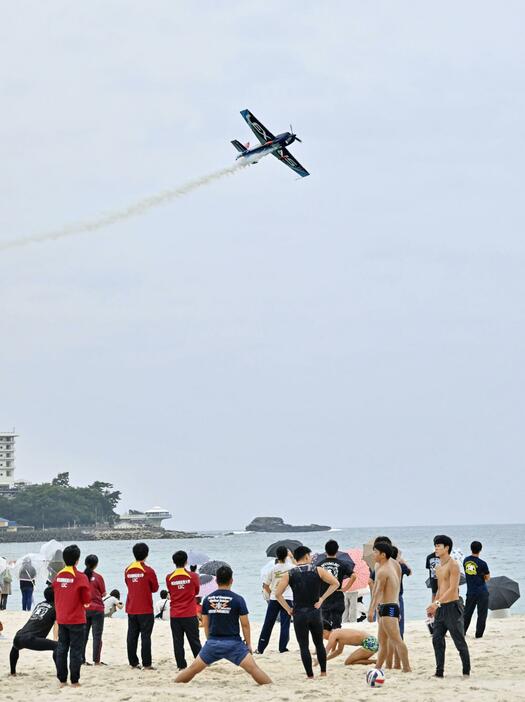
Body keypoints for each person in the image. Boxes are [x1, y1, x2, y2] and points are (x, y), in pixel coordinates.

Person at [175, 565, 271, 685]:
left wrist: (209, 641)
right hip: (234, 644)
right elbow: (245, 624)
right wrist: (249, 644)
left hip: (213, 642)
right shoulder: (238, 599)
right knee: (254, 669)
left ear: (216, 581)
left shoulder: (208, 599)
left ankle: (174, 683)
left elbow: (206, 623)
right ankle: (271, 686)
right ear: (231, 580)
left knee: (193, 670)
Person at [275, 545, 339, 679]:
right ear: (306, 556)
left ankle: (310, 675)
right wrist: (321, 599)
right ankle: (323, 672)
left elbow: (277, 594)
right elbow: (335, 584)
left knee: (304, 646)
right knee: (319, 644)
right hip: (315, 612)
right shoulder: (318, 570)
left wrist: (288, 609)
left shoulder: (289, 573)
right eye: (309, 556)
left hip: (299, 614)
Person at [426, 535, 470, 678]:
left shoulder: (454, 565)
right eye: (435, 545)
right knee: (437, 639)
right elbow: (440, 588)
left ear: (447, 548)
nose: (436, 548)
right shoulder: (438, 567)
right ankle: (439, 672)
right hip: (441, 608)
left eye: (439, 545)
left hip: (453, 607)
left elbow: (452, 588)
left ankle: (466, 671)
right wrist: (434, 605)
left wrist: (436, 603)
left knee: (459, 641)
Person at [368, 541, 411, 673]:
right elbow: (397, 587)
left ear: (383, 554)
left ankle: (407, 668)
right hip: (392, 605)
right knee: (383, 642)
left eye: (375, 552)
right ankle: (378, 668)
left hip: (388, 607)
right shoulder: (395, 564)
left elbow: (377, 592)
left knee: (397, 640)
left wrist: (371, 611)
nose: (373, 554)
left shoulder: (383, 571)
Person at [52, 544, 91, 687]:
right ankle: (75, 681)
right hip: (76, 619)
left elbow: (56, 592)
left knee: (62, 648)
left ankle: (62, 680)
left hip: (62, 618)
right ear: (77, 560)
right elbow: (87, 600)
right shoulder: (81, 577)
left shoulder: (58, 576)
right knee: (76, 650)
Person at [125, 542, 159, 670]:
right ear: (147, 554)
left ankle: (133, 662)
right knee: (145, 636)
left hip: (132, 607)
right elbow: (155, 588)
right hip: (145, 608)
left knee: (132, 636)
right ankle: (147, 663)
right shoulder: (148, 570)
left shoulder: (127, 569)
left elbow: (128, 585)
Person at [9, 586, 58, 675]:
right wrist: (56, 639)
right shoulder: (56, 607)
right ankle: (60, 673)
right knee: (58, 647)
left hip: (19, 636)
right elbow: (56, 625)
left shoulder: (39, 604)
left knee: (15, 647)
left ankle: (12, 672)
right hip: (31, 639)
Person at [166, 550, 201, 669]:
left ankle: (181, 665)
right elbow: (196, 591)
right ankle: (199, 662)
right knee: (194, 640)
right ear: (186, 562)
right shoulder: (193, 576)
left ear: (173, 562)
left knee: (177, 641)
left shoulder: (169, 577)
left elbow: (171, 591)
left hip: (175, 614)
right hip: (189, 613)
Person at [255, 545, 294, 654]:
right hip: (287, 598)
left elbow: (265, 586)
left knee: (268, 623)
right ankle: (283, 648)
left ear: (276, 556)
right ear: (286, 555)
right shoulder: (292, 567)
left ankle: (261, 648)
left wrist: (272, 592)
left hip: (274, 598)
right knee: (285, 623)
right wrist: (291, 556)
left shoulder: (272, 569)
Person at [316, 540, 356, 637]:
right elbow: (354, 576)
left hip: (323, 598)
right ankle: (335, 644)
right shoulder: (342, 563)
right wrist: (346, 588)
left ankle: (325, 646)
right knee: (337, 625)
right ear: (337, 551)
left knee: (324, 625)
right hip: (337, 597)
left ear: (325, 551)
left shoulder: (319, 564)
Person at [82, 554, 106, 666]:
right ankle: (96, 660)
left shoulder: (80, 577)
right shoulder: (98, 577)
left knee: (83, 635)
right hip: (97, 609)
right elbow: (103, 593)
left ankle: (81, 659)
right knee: (97, 636)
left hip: (84, 609)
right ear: (96, 564)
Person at [463, 541, 490, 638]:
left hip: (470, 591)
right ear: (480, 550)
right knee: (482, 614)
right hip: (482, 591)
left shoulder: (465, 560)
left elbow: (469, 572)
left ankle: (462, 632)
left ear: (471, 548)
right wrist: (481, 575)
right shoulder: (483, 563)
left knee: (467, 613)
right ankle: (479, 635)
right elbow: (487, 578)